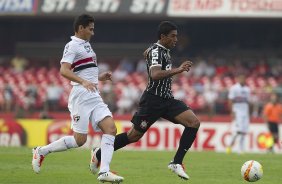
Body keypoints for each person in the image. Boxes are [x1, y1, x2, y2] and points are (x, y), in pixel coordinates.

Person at [89, 21, 200, 180]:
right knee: (133, 136)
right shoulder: (157, 51)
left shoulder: (162, 50)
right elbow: (154, 74)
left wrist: (149, 51)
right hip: (153, 101)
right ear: (163, 36)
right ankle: (98, 153)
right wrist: (179, 69)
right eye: (173, 36)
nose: (176, 39)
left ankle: (176, 162)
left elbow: (148, 53)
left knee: (193, 123)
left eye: (177, 36)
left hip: (167, 100)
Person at [31, 14, 124, 183]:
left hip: (93, 94)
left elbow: (85, 71)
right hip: (80, 96)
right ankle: (41, 151)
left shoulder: (87, 45)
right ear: (81, 28)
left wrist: (100, 77)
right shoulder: (72, 45)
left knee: (111, 129)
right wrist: (83, 81)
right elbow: (64, 70)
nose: (93, 32)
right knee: (79, 140)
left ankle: (104, 171)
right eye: (91, 29)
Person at [226, 75, 251, 154]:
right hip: (237, 111)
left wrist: (249, 113)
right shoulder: (234, 88)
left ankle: (234, 146)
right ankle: (239, 149)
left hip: (245, 112)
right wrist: (232, 112)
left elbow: (248, 102)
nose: (242, 80)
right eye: (241, 78)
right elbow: (230, 100)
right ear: (238, 79)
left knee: (244, 131)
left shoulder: (247, 89)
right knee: (239, 131)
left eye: (244, 78)